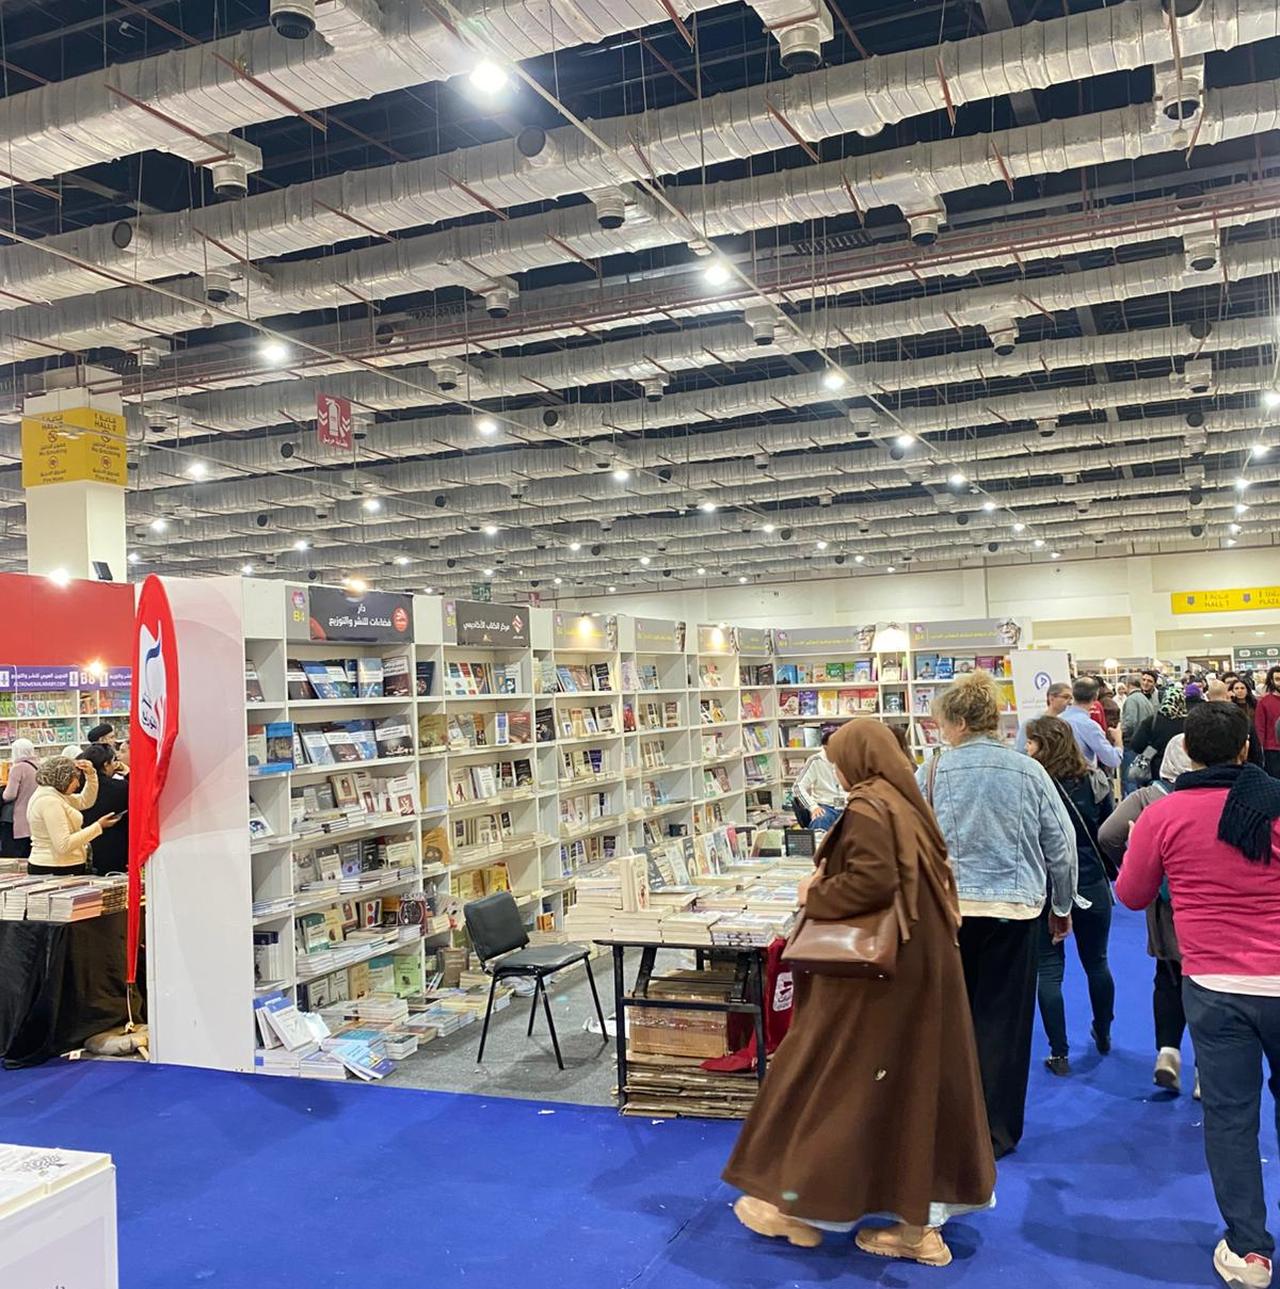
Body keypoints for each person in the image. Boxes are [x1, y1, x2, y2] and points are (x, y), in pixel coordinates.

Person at [726, 721, 995, 1267]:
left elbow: (871, 882)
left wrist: (815, 891)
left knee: (835, 1080)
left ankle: (800, 1206)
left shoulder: (870, 807)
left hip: (876, 979)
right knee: (914, 1088)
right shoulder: (905, 804)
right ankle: (917, 1225)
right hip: (916, 970)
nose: (838, 772)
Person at [1117, 702, 1280, 1289]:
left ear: (1187, 752)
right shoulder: (1275, 803)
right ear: (1246, 748)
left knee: (1231, 1117)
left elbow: (1131, 895)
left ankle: (1249, 1251)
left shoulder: (1163, 813)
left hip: (1214, 986)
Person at [917, 672, 1077, 1158]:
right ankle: (997, 1132)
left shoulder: (932, 771)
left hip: (950, 913)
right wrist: (1062, 905)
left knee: (950, 1021)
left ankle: (950, 1124)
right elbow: (1061, 844)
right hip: (1015, 911)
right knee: (1006, 1024)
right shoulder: (1029, 770)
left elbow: (912, 840)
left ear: (960, 722)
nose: (941, 732)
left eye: (943, 723)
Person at [1099, 733, 1199, 1095]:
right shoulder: (1218, 797)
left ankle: (1167, 1053)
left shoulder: (1147, 799)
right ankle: (1206, 1071)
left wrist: (1134, 866)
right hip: (1208, 904)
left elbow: (1108, 834)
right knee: (1208, 986)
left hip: (1164, 905)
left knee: (1167, 975)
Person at [1023, 716, 1116, 1076]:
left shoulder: (1030, 785)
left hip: (1045, 886)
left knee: (1049, 970)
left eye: (1031, 742)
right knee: (1098, 962)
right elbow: (1108, 831)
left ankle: (1059, 1053)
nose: (1026, 748)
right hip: (1091, 881)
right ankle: (1103, 1032)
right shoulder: (1095, 780)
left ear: (1044, 745)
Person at [26, 755, 121, 876]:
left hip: (61, 865)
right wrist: (98, 826)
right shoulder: (50, 801)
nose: (77, 785)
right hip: (56, 868)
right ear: (64, 779)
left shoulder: (54, 795)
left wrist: (91, 775)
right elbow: (63, 845)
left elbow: (85, 801)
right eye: (75, 778)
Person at [79, 743, 128, 874]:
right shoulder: (121, 787)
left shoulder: (77, 786)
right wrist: (128, 773)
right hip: (114, 847)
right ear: (106, 764)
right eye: (113, 761)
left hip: (82, 845)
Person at [1062, 677, 1123, 771]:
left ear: (1072, 695)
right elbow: (1112, 760)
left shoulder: (1058, 719)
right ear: (1095, 697)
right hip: (1080, 775)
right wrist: (1118, 741)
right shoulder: (1089, 726)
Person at [1131, 687, 1189, 784]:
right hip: (1183, 768)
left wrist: (1151, 748)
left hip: (1157, 769)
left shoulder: (1152, 721)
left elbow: (1136, 745)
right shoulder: (1189, 722)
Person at [791, 731, 846, 831]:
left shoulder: (851, 757)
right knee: (820, 820)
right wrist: (813, 807)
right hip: (826, 807)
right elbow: (797, 787)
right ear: (825, 748)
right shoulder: (815, 760)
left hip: (849, 806)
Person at [1121, 670, 1161, 795]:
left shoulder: (1131, 700)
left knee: (1130, 780)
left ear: (1127, 685)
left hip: (1131, 745)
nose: (1146, 683)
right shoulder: (1146, 700)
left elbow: (1130, 723)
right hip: (1146, 746)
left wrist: (1119, 733)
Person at [1, 738, 39, 859]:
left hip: (18, 818)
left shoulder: (18, 768)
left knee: (14, 855)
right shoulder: (38, 765)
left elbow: (9, 795)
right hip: (34, 814)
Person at [1013, 681, 1071, 753]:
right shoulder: (1030, 724)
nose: (1070, 702)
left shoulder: (1065, 725)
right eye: (1065, 697)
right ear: (1051, 698)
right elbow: (1020, 751)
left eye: (1071, 698)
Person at [1229, 676, 1267, 769]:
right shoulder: (1230, 706)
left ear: (1247, 690)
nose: (1239, 691)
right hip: (1237, 741)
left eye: (1242, 688)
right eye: (1236, 688)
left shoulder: (1255, 704)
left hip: (1255, 740)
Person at [1257, 666, 1280, 779]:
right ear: (1272, 680)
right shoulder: (1264, 702)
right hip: (1272, 751)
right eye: (1278, 679)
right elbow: (1260, 728)